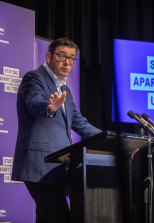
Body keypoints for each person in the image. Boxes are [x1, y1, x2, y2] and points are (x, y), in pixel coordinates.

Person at [11, 38, 102, 223]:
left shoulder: (64, 89)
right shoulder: (34, 78)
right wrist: (49, 107)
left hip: (58, 170)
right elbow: (34, 103)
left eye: (71, 58)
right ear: (49, 56)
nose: (67, 62)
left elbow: (80, 123)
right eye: (62, 56)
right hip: (40, 167)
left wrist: (109, 140)